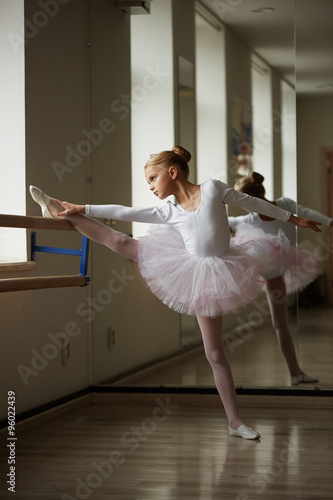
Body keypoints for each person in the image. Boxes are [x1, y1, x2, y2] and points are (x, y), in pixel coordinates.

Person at [29, 146, 322, 439]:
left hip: (218, 273)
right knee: (120, 241)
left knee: (215, 352)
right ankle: (56, 207)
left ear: (173, 172)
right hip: (192, 272)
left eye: (153, 178)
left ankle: (234, 422)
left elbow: (253, 203)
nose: (151, 186)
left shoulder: (212, 188)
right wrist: (82, 208)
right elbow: (124, 211)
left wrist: (295, 219)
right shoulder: (168, 211)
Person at [228, 171, 333, 385]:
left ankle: (295, 373)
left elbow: (304, 212)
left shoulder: (261, 213)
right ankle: (295, 373)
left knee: (279, 322)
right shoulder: (272, 208)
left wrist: (330, 222)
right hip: (266, 268)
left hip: (270, 268)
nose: (243, 207)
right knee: (280, 322)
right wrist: (330, 222)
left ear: (249, 201)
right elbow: (306, 212)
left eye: (243, 203)